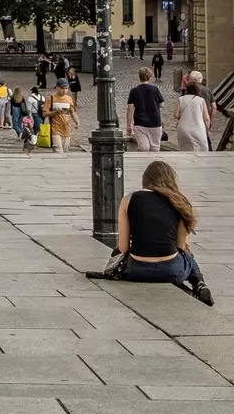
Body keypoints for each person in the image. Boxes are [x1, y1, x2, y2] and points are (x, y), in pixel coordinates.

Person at [90, 161, 214, 305]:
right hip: (171, 270)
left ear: (146, 180)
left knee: (120, 254)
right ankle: (199, 285)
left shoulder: (128, 199)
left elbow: (123, 247)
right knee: (188, 257)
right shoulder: (179, 202)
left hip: (136, 270)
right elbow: (180, 246)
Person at [128, 67, 165, 152]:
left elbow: (130, 109)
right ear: (150, 77)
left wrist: (128, 125)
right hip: (155, 122)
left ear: (139, 77)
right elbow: (162, 104)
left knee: (143, 148)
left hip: (140, 123)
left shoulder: (134, 91)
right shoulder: (155, 89)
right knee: (155, 148)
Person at [174, 71, 213, 152]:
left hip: (183, 129)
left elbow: (176, 115)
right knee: (203, 151)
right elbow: (206, 118)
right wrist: (207, 129)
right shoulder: (201, 100)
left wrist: (183, 115)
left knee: (184, 151)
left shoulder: (180, 99)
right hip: (198, 129)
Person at [47, 76, 79, 153]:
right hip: (55, 129)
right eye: (62, 88)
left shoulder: (69, 99)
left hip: (66, 129)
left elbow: (72, 112)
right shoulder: (50, 98)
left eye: (66, 88)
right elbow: (45, 113)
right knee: (58, 151)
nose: (64, 90)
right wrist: (55, 112)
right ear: (57, 87)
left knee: (65, 152)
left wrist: (77, 121)